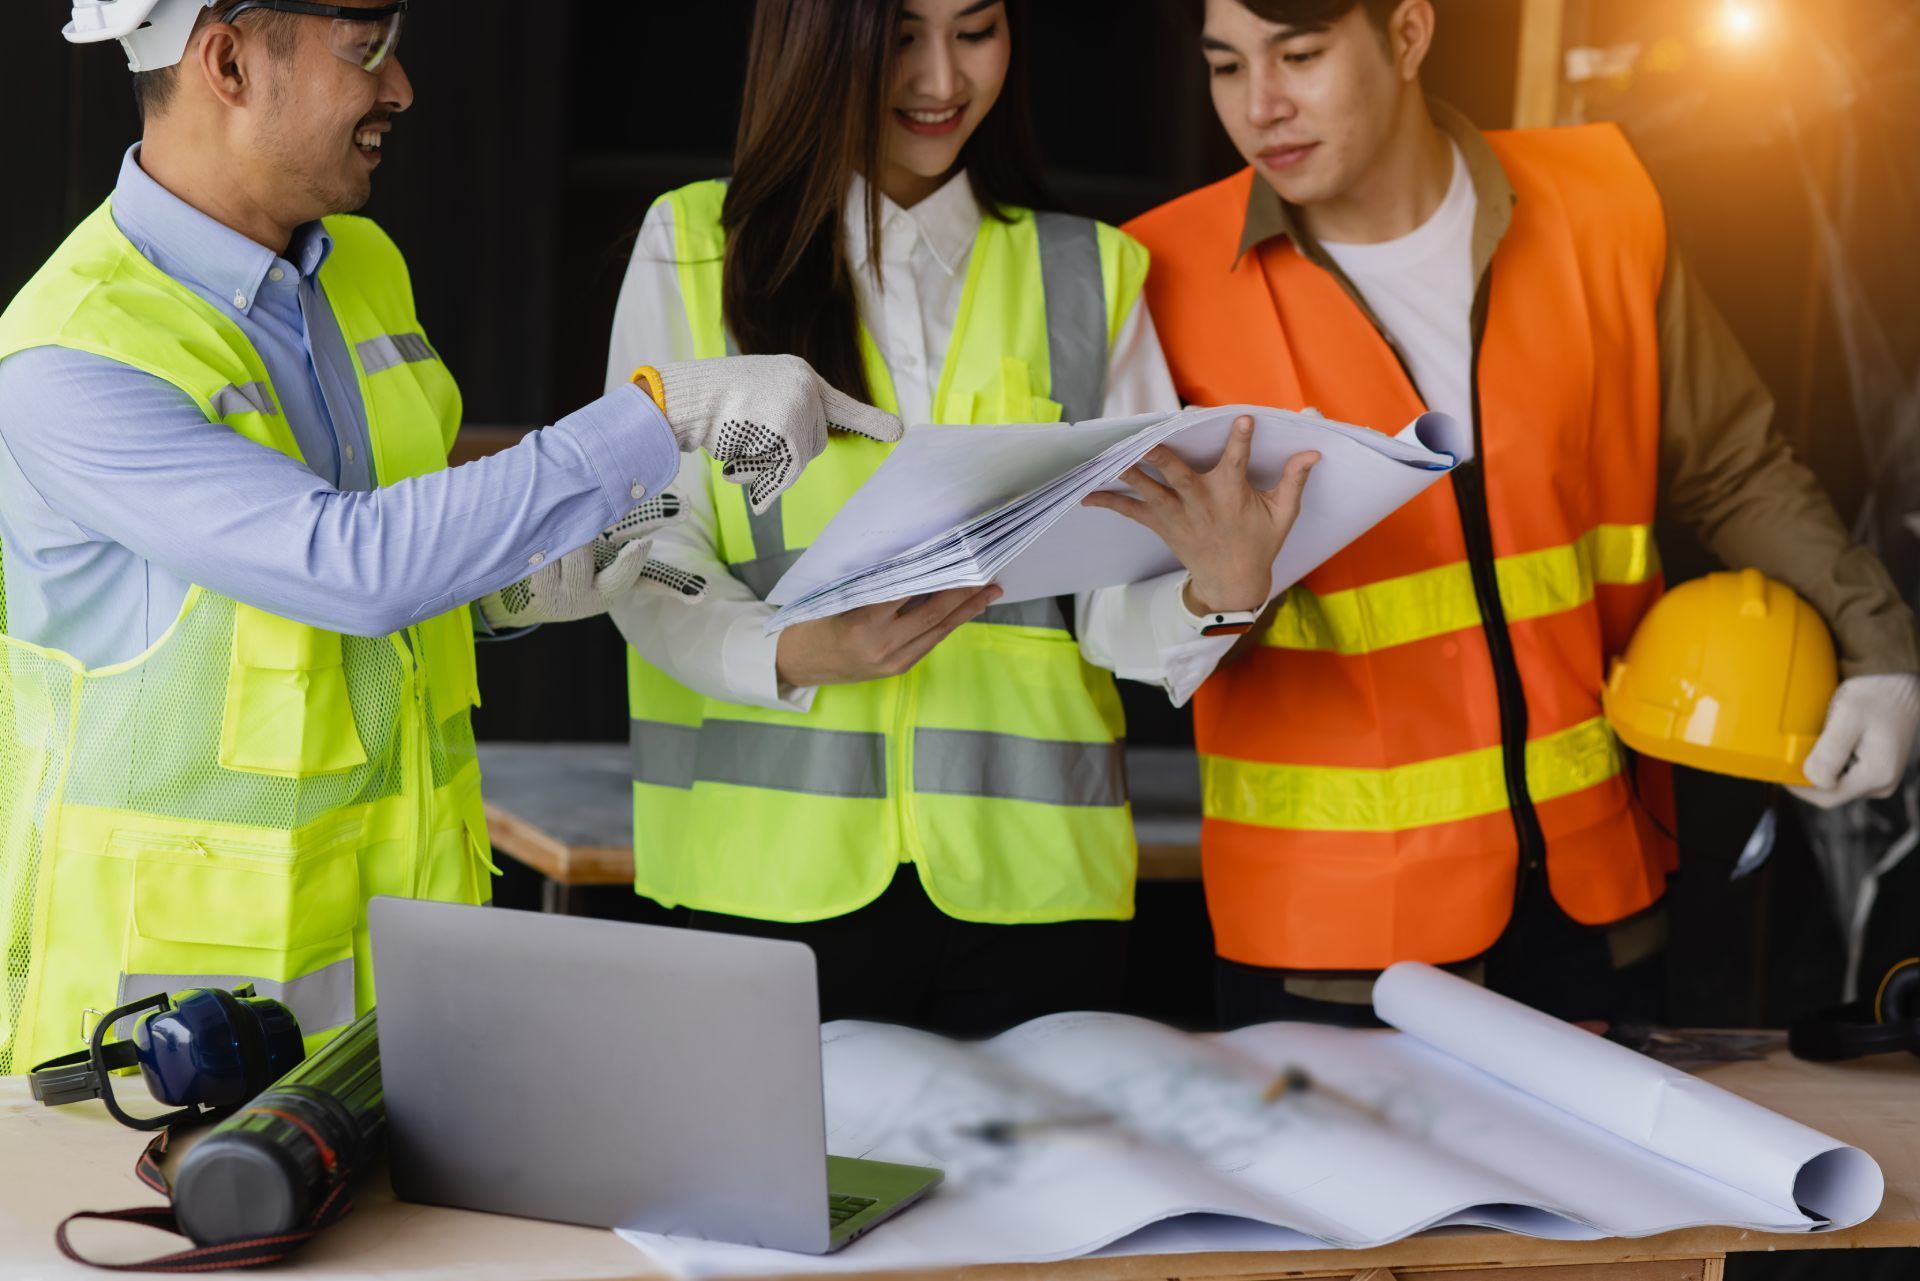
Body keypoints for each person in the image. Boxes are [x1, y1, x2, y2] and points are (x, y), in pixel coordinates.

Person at [0, 0, 900, 1073]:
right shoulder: (77, 355)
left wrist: (516, 583)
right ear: (229, 60)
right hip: (163, 1049)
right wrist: (663, 415)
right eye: (365, 46)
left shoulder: (361, 271)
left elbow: (391, 558)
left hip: (402, 992)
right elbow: (349, 565)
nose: (400, 87)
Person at [1119, 0, 1920, 1027]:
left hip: (1594, 904)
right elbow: (1128, 611)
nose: (1260, 105)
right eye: (1226, 67)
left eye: (1302, 55)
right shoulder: (1162, 276)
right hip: (1330, 943)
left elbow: (1731, 466)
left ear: (1408, 34)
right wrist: (1209, 592)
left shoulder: (1603, 205)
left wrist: (1883, 647)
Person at [606, 0, 1314, 1036]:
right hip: (757, 882)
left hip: (1038, 895)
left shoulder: (1093, 273)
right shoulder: (692, 247)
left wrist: (1217, 592)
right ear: (818, 40)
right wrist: (793, 649)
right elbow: (636, 543)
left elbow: (1116, 596)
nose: (942, 79)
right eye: (900, 35)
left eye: (975, 32)